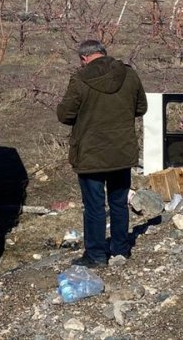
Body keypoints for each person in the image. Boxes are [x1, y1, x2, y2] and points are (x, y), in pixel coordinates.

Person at [56, 40, 147, 268]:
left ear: (84, 58)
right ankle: (120, 249)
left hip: (90, 153)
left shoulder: (80, 79)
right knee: (119, 202)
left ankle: (96, 255)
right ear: (104, 53)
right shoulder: (129, 74)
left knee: (95, 206)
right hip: (121, 151)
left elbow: (65, 115)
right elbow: (141, 108)